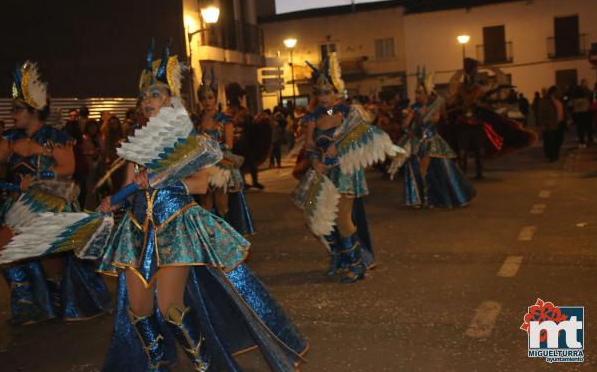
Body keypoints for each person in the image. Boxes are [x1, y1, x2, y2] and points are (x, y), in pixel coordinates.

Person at [98, 44, 306, 371]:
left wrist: (162, 182)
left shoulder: (186, 140)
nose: (147, 102)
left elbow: (200, 184)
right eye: (143, 98)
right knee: (137, 310)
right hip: (138, 232)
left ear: (170, 100)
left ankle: (203, 364)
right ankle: (156, 362)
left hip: (176, 228)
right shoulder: (137, 140)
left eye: (154, 95)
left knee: (171, 308)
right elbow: (131, 183)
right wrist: (114, 201)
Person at [0, 61, 111, 324]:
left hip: (48, 204)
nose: (13, 114)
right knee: (9, 253)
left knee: (53, 261)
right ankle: (32, 305)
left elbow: (68, 168)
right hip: (17, 205)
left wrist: (38, 170)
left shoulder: (55, 137)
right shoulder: (10, 138)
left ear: (33, 110)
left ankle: (60, 300)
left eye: (17, 109)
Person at [294, 53, 401, 283]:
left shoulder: (344, 111)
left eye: (327, 92)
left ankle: (356, 264)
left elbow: (361, 127)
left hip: (344, 173)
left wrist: (337, 146)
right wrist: (314, 161)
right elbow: (310, 146)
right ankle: (338, 257)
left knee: (342, 219)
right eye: (319, 93)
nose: (323, 97)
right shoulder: (313, 118)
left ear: (335, 92)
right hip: (322, 173)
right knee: (316, 218)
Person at [398, 70, 476, 208]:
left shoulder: (435, 107)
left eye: (419, 93)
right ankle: (422, 200)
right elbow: (404, 125)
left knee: (445, 169)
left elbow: (434, 121)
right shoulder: (414, 108)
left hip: (432, 141)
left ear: (427, 94)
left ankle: (450, 198)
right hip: (417, 143)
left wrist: (424, 116)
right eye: (416, 93)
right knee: (419, 171)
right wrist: (409, 130)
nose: (416, 96)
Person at [196, 69, 255, 235]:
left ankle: (226, 237)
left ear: (215, 99)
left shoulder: (225, 120)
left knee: (222, 205)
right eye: (203, 98)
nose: (207, 101)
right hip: (201, 165)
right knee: (205, 204)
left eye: (210, 97)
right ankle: (210, 237)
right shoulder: (196, 121)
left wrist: (212, 150)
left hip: (220, 164)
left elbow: (229, 145)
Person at [226, 83, 266, 190]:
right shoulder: (227, 112)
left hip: (243, 142)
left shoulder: (243, 111)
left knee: (250, 161)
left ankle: (254, 181)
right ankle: (243, 182)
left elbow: (249, 125)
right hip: (233, 143)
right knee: (238, 164)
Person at [539, 86, 565, 161]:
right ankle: (552, 156)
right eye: (558, 91)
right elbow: (541, 113)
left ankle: (555, 154)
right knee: (550, 141)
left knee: (559, 140)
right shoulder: (545, 101)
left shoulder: (559, 100)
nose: (559, 93)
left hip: (560, 123)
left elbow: (563, 110)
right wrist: (543, 124)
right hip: (550, 124)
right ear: (553, 92)